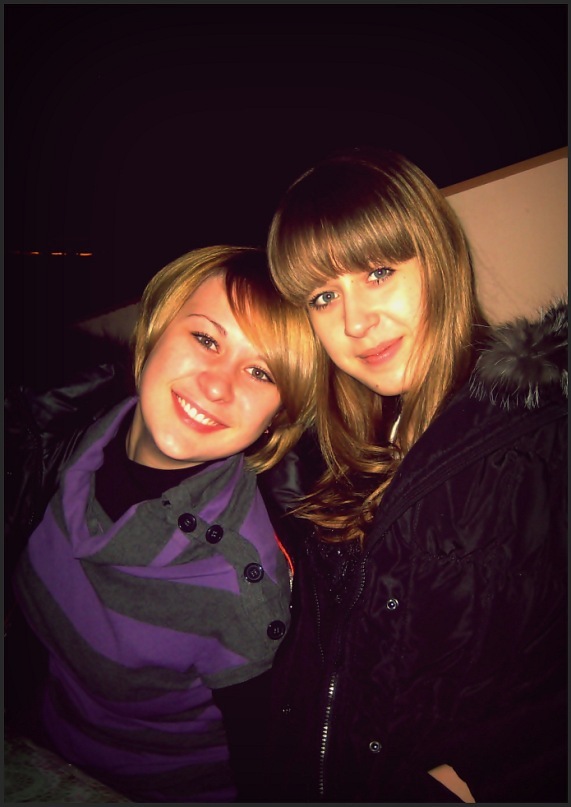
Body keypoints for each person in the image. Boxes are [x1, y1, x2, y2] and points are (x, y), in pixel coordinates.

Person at [265, 148, 567, 803]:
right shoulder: (336, 452)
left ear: (439, 256)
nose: (354, 322)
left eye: (378, 272)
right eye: (323, 296)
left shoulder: (542, 440)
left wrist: (484, 775)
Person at [7, 245, 318, 803]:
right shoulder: (51, 437)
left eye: (260, 372)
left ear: (279, 415)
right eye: (206, 339)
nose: (218, 385)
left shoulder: (242, 589)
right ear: (155, 328)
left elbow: (269, 777)